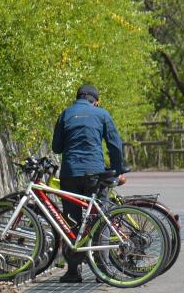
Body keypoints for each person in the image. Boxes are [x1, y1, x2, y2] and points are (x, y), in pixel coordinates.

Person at [52, 84, 126, 283]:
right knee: (99, 218)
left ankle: (73, 271)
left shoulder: (66, 114)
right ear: (95, 101)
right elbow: (115, 145)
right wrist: (119, 171)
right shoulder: (101, 114)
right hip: (96, 174)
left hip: (70, 174)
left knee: (71, 220)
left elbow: (56, 147)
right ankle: (102, 270)